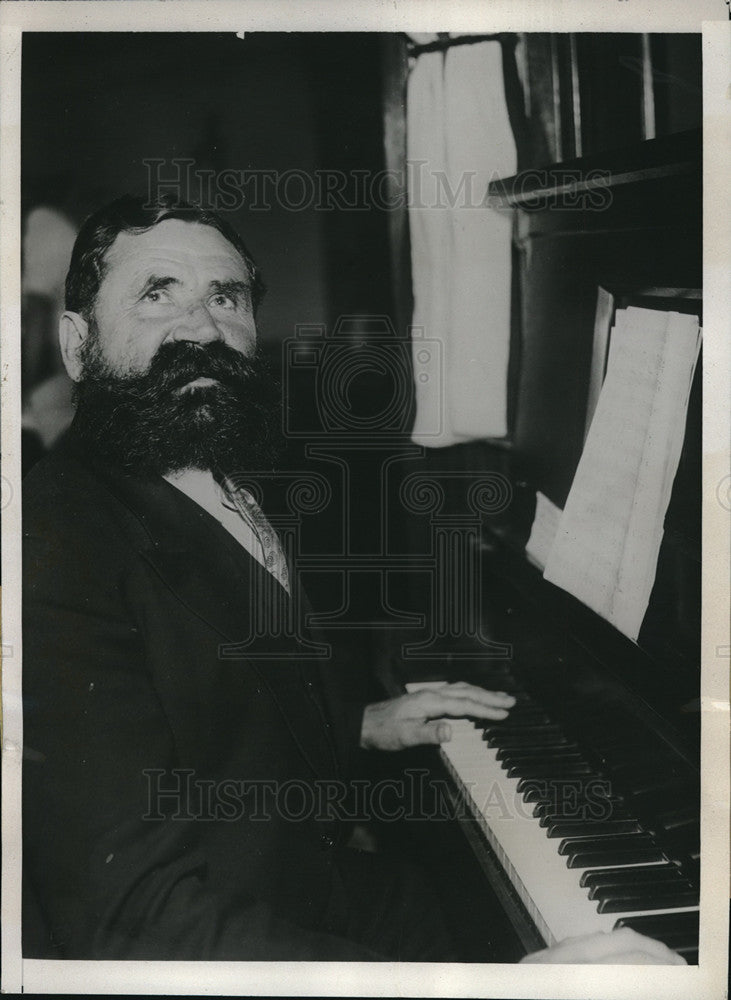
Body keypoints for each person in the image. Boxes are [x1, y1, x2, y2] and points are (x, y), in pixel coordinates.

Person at [22, 195, 685, 965]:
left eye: (224, 297)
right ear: (77, 344)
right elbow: (134, 919)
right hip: (220, 937)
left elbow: (203, 692)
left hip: (306, 876)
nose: (201, 328)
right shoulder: (52, 545)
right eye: (155, 293)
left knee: (464, 906)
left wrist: (362, 723)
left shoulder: (216, 461)